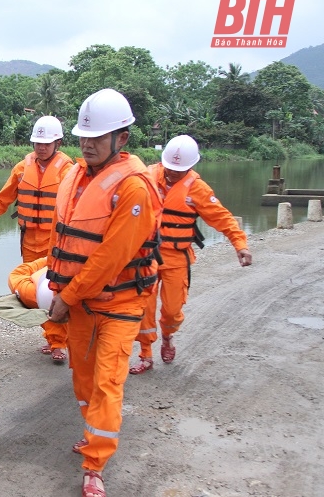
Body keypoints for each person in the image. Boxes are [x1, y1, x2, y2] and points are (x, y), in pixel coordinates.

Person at [45, 89, 162, 496]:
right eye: (84, 137)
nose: (88, 144)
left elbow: (110, 258)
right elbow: (61, 238)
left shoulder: (134, 188)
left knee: (108, 380)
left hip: (121, 302)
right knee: (82, 376)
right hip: (80, 300)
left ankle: (95, 464)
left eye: (98, 137)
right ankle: (90, 432)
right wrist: (55, 286)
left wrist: (67, 298)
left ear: (122, 138)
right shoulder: (75, 176)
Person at [129, 135, 252, 375]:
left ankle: (168, 335)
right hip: (146, 256)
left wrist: (240, 245)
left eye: (180, 170)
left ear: (191, 166)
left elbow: (222, 218)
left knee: (172, 310)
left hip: (176, 258)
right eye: (170, 168)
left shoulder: (198, 189)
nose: (173, 173)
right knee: (143, 307)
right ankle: (145, 354)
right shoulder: (147, 176)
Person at [0, 116, 74, 363]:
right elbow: (1, 200)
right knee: (36, 292)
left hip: (57, 244)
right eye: (37, 143)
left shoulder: (67, 171)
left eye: (46, 143)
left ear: (58, 143)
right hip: (29, 241)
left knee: (54, 290)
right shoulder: (22, 169)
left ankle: (58, 342)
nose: (41, 147)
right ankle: (55, 336)